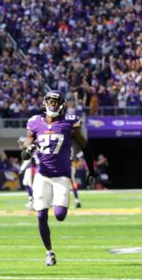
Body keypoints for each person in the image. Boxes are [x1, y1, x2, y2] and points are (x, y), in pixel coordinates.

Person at [21, 91, 96, 266]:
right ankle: (49, 252)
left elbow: (85, 146)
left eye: (55, 101)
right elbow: (25, 150)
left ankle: (59, 205)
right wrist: (27, 150)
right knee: (41, 215)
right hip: (43, 176)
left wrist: (91, 171)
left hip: (62, 176)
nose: (52, 104)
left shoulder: (69, 122)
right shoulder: (34, 122)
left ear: (61, 104)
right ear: (45, 102)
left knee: (60, 215)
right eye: (50, 101)